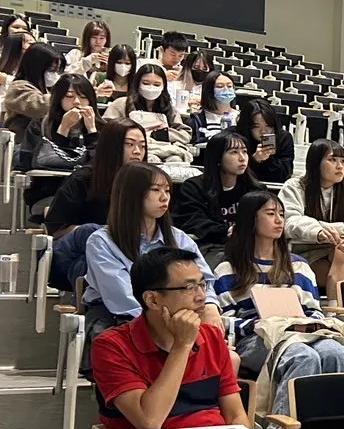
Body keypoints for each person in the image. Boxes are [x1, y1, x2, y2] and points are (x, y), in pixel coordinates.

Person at [90, 247, 298, 429]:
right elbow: (149, 420)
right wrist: (183, 345)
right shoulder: (112, 346)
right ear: (152, 299)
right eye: (188, 288)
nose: (202, 296)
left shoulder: (211, 337)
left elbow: (235, 413)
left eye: (202, 285)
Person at [213, 191, 344, 413]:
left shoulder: (298, 266)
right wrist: (261, 325)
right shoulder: (228, 269)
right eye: (271, 214)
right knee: (302, 356)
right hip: (257, 339)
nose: (279, 220)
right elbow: (223, 322)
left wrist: (306, 324)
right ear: (251, 219)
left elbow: (314, 310)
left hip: (300, 332)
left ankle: (336, 424)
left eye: (281, 214)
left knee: (336, 352)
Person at [84, 162, 222, 343]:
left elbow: (204, 279)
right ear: (132, 195)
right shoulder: (101, 242)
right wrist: (167, 328)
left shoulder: (179, 238)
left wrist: (210, 305)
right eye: (156, 190)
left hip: (177, 313)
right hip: (118, 316)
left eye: (167, 191)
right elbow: (122, 298)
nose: (165, 197)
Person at [280, 139, 344, 297]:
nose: (340, 166)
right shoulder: (295, 186)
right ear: (316, 163)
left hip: (339, 251)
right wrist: (318, 231)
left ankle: (336, 307)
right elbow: (289, 220)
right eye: (332, 160)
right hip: (304, 252)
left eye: (343, 161)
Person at [45, 120, 146, 239]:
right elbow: (56, 228)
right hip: (85, 244)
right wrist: (96, 233)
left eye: (142, 146)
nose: (137, 151)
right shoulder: (84, 179)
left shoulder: (145, 181)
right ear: (111, 146)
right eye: (129, 144)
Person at [173, 131, 261, 258]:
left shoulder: (255, 189)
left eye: (244, 151)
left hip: (249, 247)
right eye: (234, 152)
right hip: (209, 247)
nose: (242, 158)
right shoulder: (194, 188)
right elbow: (193, 222)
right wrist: (227, 231)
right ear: (217, 157)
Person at [103, 61, 193, 162]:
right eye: (145, 83)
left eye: (156, 84)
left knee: (175, 160)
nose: (151, 88)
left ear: (163, 86)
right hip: (134, 149)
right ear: (137, 83)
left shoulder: (169, 109)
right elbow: (106, 128)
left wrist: (164, 134)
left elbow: (185, 134)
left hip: (164, 148)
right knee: (151, 160)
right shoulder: (122, 104)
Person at [32, 73, 99, 174]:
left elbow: (102, 163)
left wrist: (92, 131)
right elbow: (30, 161)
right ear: (59, 98)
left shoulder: (103, 127)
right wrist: (63, 129)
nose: (77, 102)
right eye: (69, 96)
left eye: (83, 97)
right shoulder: (41, 124)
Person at [4, 42, 64, 146]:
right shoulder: (18, 88)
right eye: (51, 70)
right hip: (22, 145)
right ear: (36, 67)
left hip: (43, 145)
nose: (55, 75)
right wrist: (65, 95)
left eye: (57, 71)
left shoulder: (48, 89)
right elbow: (39, 106)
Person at [233, 100, 294, 183]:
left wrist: (268, 158)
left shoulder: (283, 138)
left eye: (268, 126)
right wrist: (255, 160)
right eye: (256, 126)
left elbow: (285, 174)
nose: (263, 131)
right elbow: (230, 171)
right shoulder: (235, 137)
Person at [187, 70, 238, 145]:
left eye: (229, 86)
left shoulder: (241, 116)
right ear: (209, 91)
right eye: (220, 86)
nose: (226, 89)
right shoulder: (197, 120)